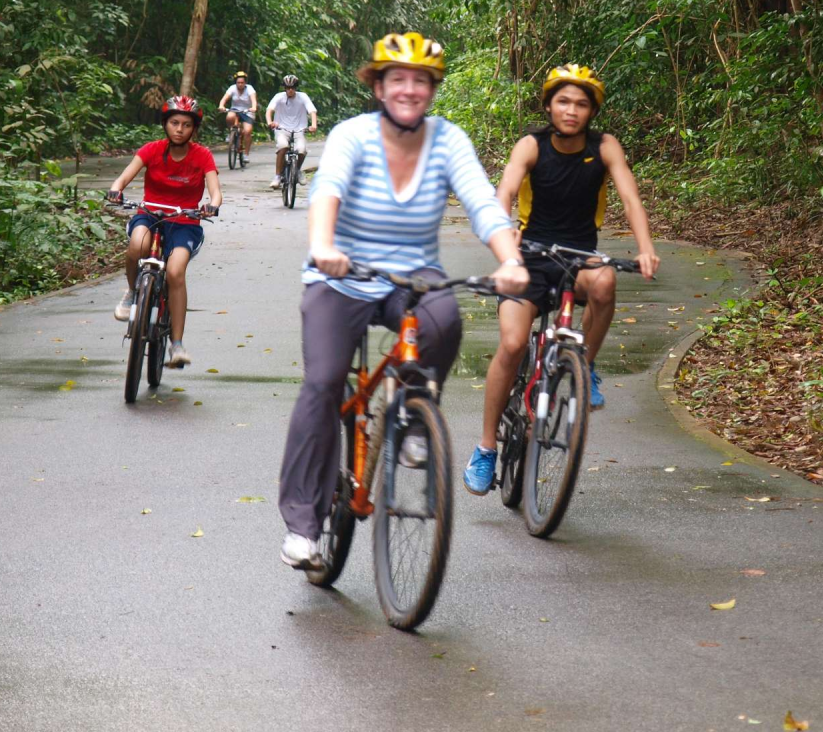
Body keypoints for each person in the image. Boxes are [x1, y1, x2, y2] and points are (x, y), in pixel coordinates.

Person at [277, 32, 528, 570]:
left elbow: (484, 203)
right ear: (379, 85)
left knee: (443, 321)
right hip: (339, 276)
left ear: (433, 89)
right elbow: (328, 192)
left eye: (421, 80)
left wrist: (510, 260)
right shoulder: (352, 136)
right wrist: (323, 247)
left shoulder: (448, 140)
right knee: (323, 385)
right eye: (398, 79)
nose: (409, 90)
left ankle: (414, 420)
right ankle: (303, 524)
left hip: (412, 276)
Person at [463, 64, 659, 496]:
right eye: (564, 101)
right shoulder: (531, 145)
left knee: (606, 283)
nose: (572, 111)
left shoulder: (604, 147)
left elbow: (629, 197)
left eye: (581, 104)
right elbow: (506, 190)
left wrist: (645, 248)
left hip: (580, 256)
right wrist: (504, 239)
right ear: (549, 105)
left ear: (592, 111)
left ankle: (584, 366)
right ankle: (486, 446)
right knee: (513, 345)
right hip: (529, 256)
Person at [107, 96, 222, 369]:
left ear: (194, 129)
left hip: (185, 222)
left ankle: (178, 345)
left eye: (186, 124)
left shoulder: (202, 155)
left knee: (174, 272)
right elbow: (125, 176)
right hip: (149, 214)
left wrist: (212, 206)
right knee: (137, 246)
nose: (179, 129)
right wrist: (116, 189)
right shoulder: (151, 150)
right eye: (174, 123)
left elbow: (215, 191)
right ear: (165, 125)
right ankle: (134, 293)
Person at [266, 74, 317, 190]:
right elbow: (269, 110)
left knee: (302, 149)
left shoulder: (303, 97)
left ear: (296, 88)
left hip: (299, 129)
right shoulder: (279, 97)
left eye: (293, 87)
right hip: (282, 129)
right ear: (284, 88)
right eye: (288, 87)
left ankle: (297, 170)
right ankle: (277, 176)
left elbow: (312, 111)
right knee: (283, 146)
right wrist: (270, 122)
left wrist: (313, 125)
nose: (290, 90)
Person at [218, 70, 258, 165]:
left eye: (242, 83)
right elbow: (224, 99)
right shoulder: (232, 88)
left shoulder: (250, 89)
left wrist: (254, 107)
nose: (240, 84)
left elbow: (254, 100)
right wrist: (221, 106)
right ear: (236, 83)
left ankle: (246, 154)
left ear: (245, 83)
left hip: (247, 111)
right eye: (238, 82)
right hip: (235, 110)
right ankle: (231, 133)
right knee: (229, 117)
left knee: (247, 131)